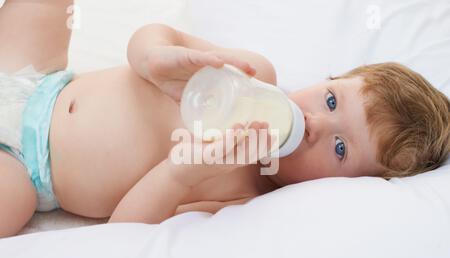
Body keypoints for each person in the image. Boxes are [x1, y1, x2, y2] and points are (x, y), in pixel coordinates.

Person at [0, 1, 448, 238]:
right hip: (40, 78)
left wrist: (179, 174)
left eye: (340, 148)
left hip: (27, 171)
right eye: (331, 102)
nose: (314, 124)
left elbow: (124, 232)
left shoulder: (240, 196)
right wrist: (156, 56)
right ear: (328, 79)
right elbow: (157, 35)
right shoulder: (255, 72)